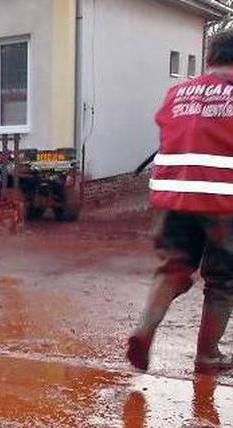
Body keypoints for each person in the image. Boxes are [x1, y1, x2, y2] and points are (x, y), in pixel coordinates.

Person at [127, 30, 233, 374]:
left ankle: (145, 330)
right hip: (223, 201)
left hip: (170, 199)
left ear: (209, 58)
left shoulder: (177, 91)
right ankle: (207, 356)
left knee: (172, 268)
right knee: (222, 281)